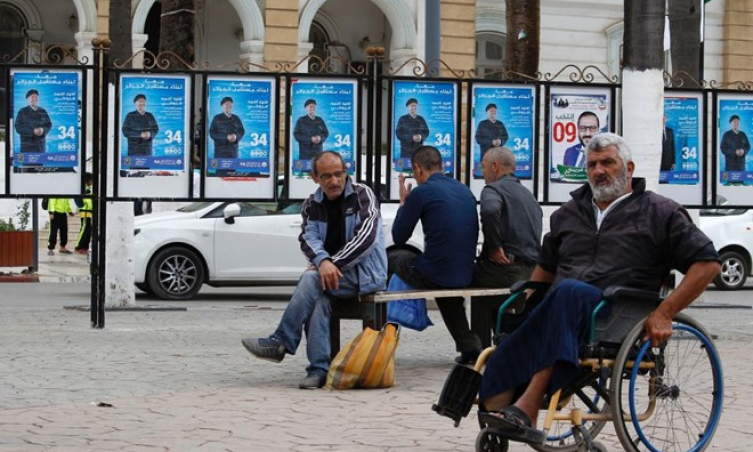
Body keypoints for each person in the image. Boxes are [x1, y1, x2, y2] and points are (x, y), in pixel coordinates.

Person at [477, 133, 721, 437]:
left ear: (629, 168)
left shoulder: (660, 213)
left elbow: (708, 264)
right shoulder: (569, 213)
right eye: (592, 164)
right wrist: (527, 300)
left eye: (608, 162)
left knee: (569, 291)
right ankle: (498, 414)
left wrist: (665, 312)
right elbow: (547, 266)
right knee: (501, 347)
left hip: (616, 313)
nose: (598, 170)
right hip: (562, 313)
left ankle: (527, 407)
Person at [241, 151, 387, 389]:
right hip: (328, 276)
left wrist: (332, 264)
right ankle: (319, 369)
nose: (334, 181)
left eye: (338, 174)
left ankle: (280, 342)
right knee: (317, 297)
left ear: (345, 172)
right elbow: (308, 239)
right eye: (326, 176)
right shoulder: (311, 205)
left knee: (311, 278)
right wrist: (323, 262)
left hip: (365, 275)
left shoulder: (363, 195)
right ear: (315, 178)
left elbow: (366, 239)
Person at [390, 145, 482, 364]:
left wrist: (403, 203)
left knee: (391, 257)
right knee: (445, 286)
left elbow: (399, 237)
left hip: (436, 273)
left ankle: (383, 331)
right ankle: (470, 349)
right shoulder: (464, 189)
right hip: (465, 273)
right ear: (441, 166)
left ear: (417, 168)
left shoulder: (421, 192)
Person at [471, 147, 542, 343]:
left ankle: (476, 347)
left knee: (467, 277)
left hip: (507, 270)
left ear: (495, 167)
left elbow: (490, 211)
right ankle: (504, 340)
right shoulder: (528, 195)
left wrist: (494, 247)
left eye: (483, 167)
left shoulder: (493, 190)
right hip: (531, 272)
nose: (481, 172)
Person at [74, 172, 94, 255]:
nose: (92, 182)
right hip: (85, 210)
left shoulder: (88, 188)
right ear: (87, 180)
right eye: (91, 180)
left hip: (89, 211)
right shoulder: (84, 189)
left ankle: (85, 247)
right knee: (84, 229)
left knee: (88, 230)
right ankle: (78, 246)